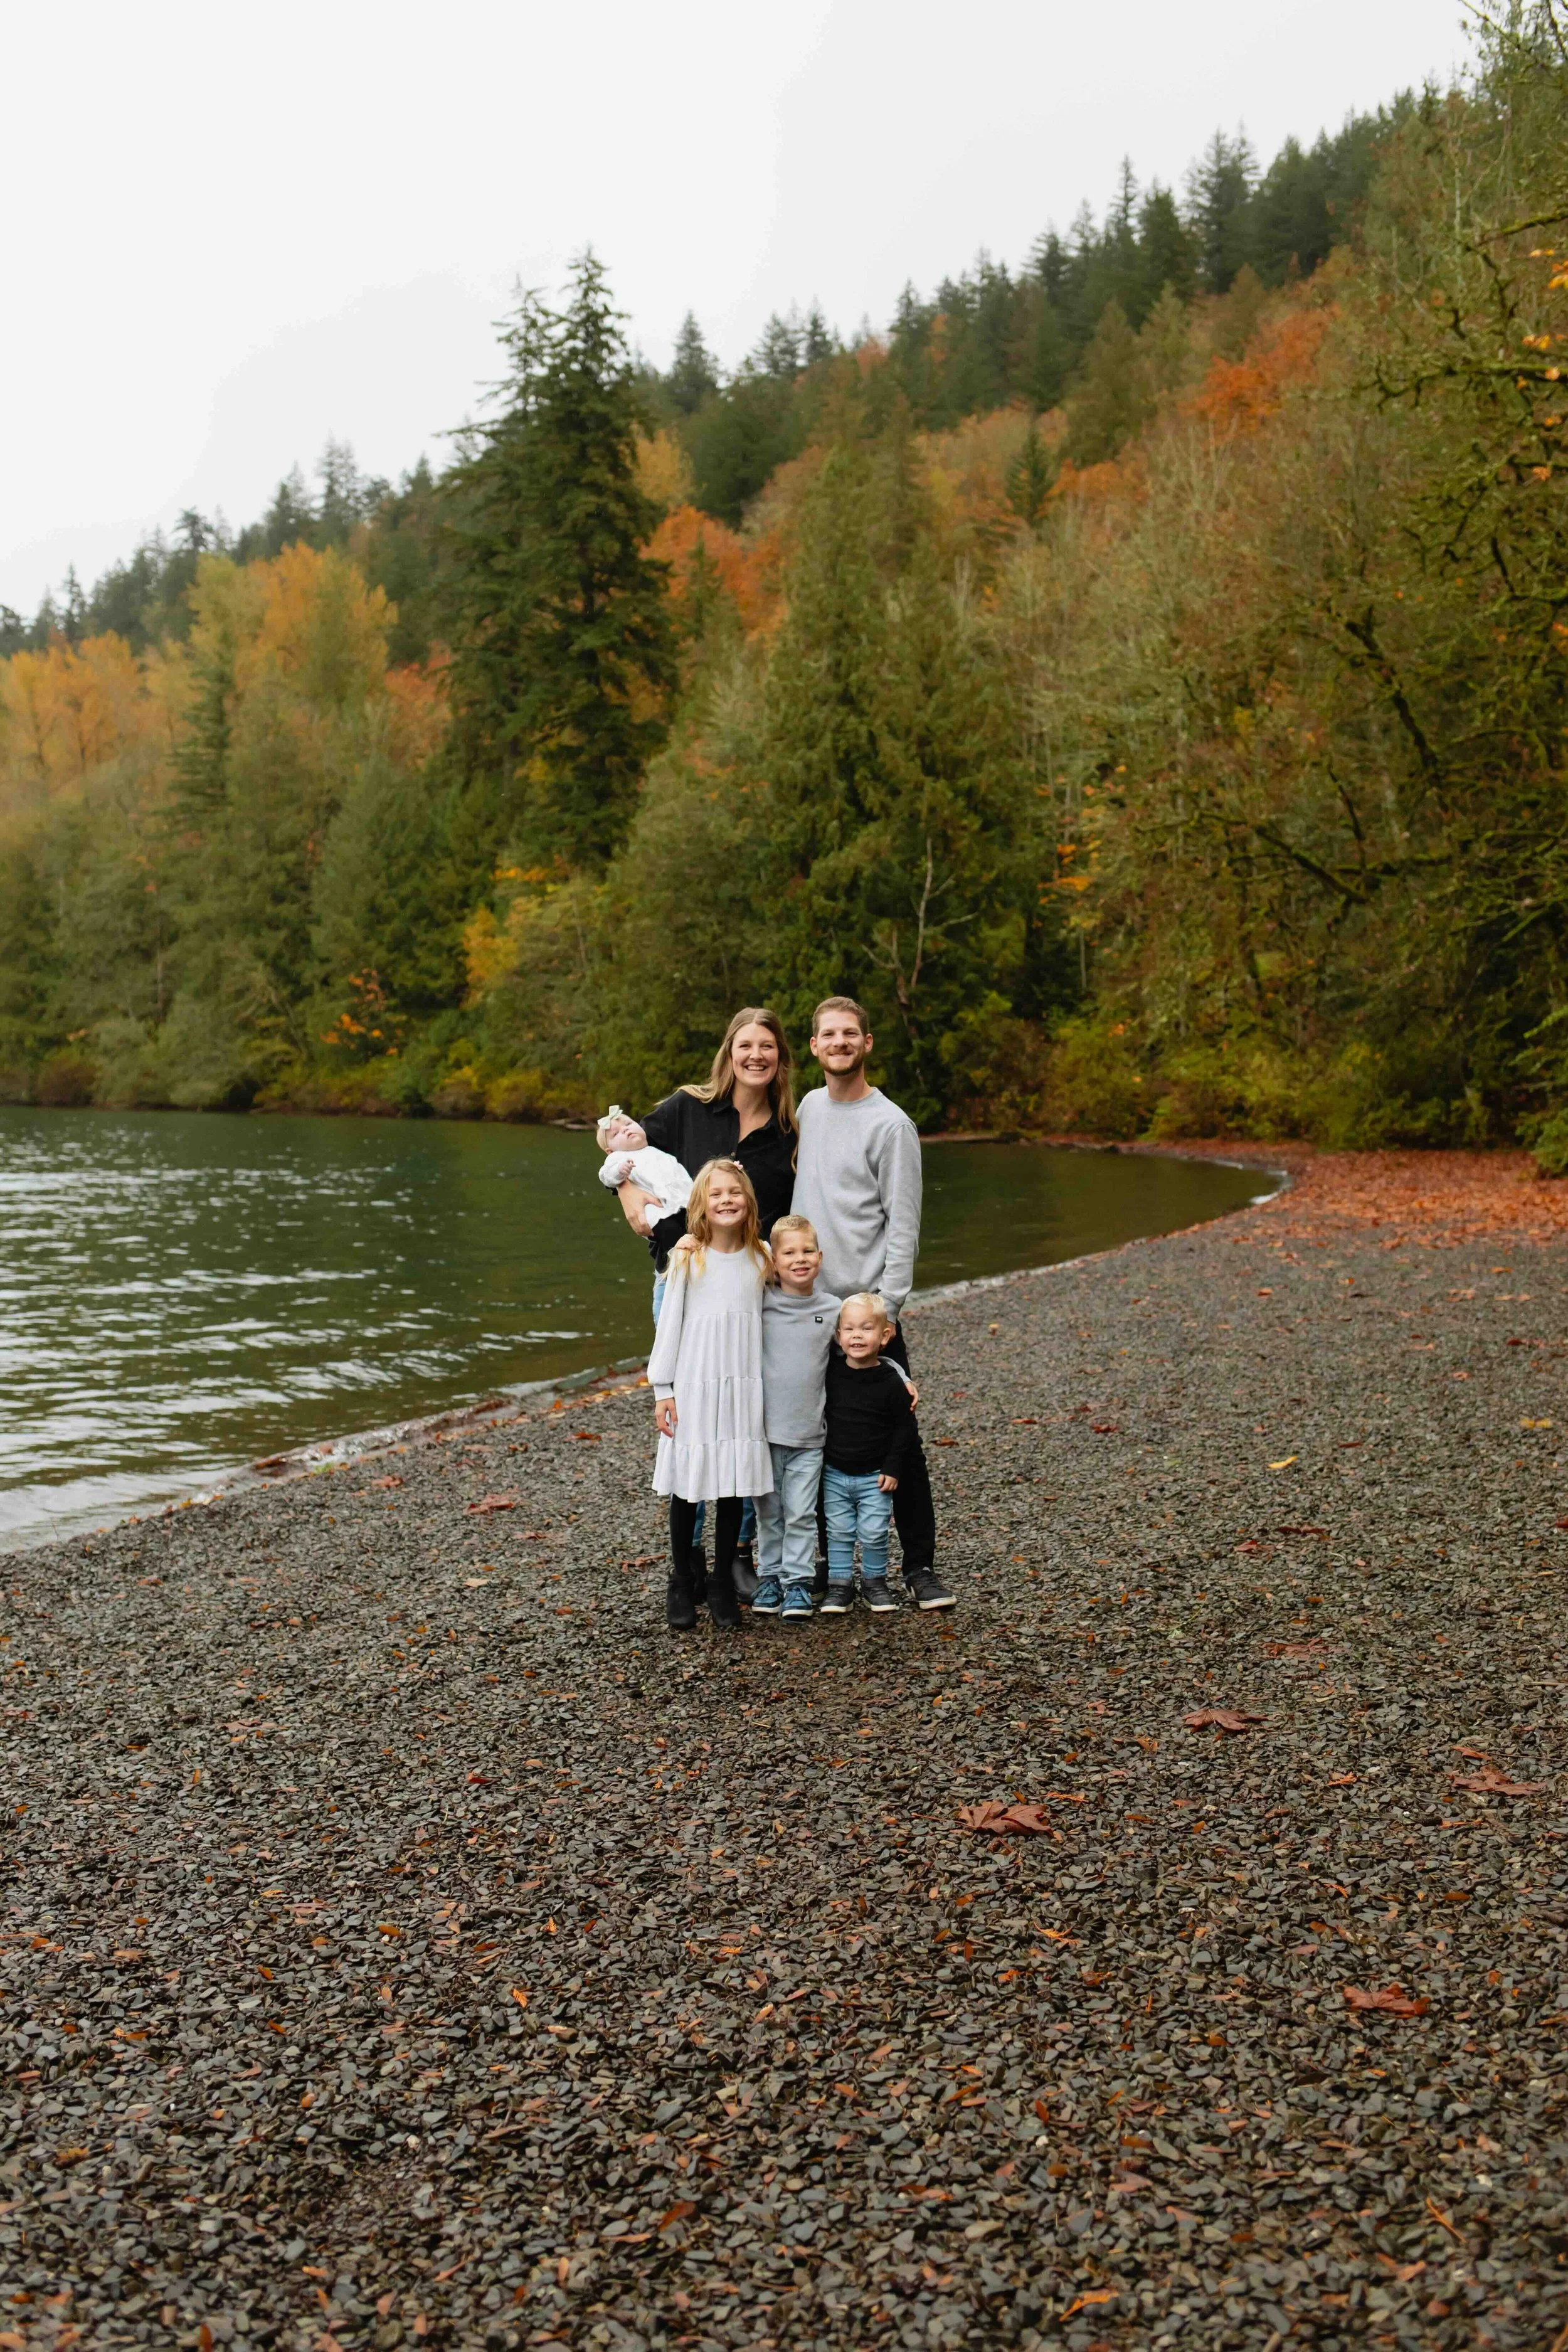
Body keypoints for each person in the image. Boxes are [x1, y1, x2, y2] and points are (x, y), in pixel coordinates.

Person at [616, 1009, 797, 1594]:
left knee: (743, 1414)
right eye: (746, 1045)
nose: (756, 1056)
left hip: (748, 1287)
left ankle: (736, 1555)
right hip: (683, 1278)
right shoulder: (687, 1108)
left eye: (767, 1046)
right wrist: (632, 1200)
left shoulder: (789, 1133)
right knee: (691, 1422)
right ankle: (687, 1561)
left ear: (780, 1057)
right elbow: (622, 1146)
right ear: (729, 1051)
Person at [792, 994, 955, 1611]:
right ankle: (827, 1566)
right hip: (812, 1310)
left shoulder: (891, 1125)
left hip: (866, 1314)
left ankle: (919, 1567)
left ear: (866, 1043)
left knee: (898, 1437)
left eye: (849, 1034)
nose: (839, 1043)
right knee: (821, 1436)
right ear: (814, 1046)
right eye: (828, 1034)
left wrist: (887, 1309)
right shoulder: (808, 1108)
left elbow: (903, 1225)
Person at [647, 1160, 773, 1633]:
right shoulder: (688, 1258)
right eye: (715, 1194)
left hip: (742, 1384)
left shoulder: (762, 1257)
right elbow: (670, 1326)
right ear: (701, 1204)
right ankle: (682, 1581)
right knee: (689, 1484)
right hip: (695, 1384)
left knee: (733, 1484)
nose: (726, 1200)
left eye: (734, 1192)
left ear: (748, 1201)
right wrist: (663, 1389)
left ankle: (721, 1584)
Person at [751, 1215, 841, 1622]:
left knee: (802, 1513)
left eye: (807, 1251)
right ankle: (770, 1577)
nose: (799, 1259)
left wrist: (901, 1378)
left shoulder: (833, 1309)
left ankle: (799, 1584)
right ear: (773, 1260)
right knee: (769, 1514)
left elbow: (862, 1349)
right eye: (789, 1252)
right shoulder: (760, 1303)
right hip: (764, 1435)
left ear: (820, 1257)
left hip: (809, 1437)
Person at [820, 1292, 921, 1614]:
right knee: (838, 1531)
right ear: (839, 1336)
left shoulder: (891, 1382)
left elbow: (904, 1428)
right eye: (850, 1329)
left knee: (875, 1532)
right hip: (835, 1472)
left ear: (885, 1336)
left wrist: (893, 1468)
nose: (857, 1336)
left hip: (875, 1475)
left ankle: (874, 1583)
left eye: (866, 1329)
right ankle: (840, 1586)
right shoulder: (831, 1374)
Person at [595, 1108, 692, 1225]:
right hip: (657, 1210)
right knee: (666, 1226)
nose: (625, 1129)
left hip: (682, 1201)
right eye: (616, 1134)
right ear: (610, 1151)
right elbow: (605, 1175)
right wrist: (619, 1171)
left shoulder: (657, 1152)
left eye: (628, 1124)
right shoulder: (618, 1157)